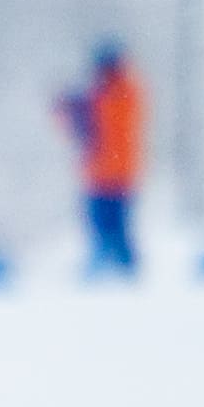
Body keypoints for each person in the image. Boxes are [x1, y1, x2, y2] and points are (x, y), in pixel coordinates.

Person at [63, 43, 146, 275]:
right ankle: (116, 268)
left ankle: (117, 269)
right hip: (107, 174)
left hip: (111, 175)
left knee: (110, 226)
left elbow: (99, 124)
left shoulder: (118, 93)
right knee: (108, 226)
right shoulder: (113, 93)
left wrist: (78, 107)